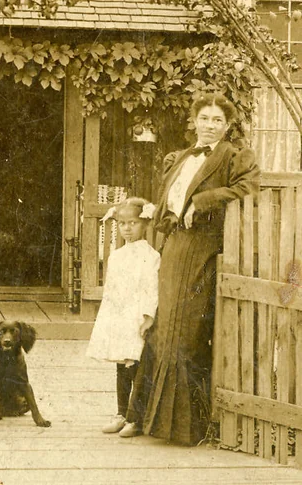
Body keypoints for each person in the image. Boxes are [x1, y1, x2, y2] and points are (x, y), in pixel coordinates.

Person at [139, 93, 260, 446]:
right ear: (194, 121)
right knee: (164, 327)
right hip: (175, 245)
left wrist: (202, 201)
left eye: (217, 120)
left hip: (205, 245)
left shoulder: (235, 157)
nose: (209, 125)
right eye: (204, 118)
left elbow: (247, 189)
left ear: (227, 126)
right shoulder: (180, 158)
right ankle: (151, 421)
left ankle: (188, 428)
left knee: (187, 329)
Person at [86, 197, 160, 438]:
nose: (128, 228)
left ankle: (136, 417)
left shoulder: (151, 255)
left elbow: (151, 287)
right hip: (119, 315)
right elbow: (111, 288)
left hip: (137, 316)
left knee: (136, 366)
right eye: (123, 223)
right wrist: (109, 317)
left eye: (134, 223)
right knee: (121, 365)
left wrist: (148, 317)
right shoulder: (116, 256)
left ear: (145, 224)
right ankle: (121, 413)